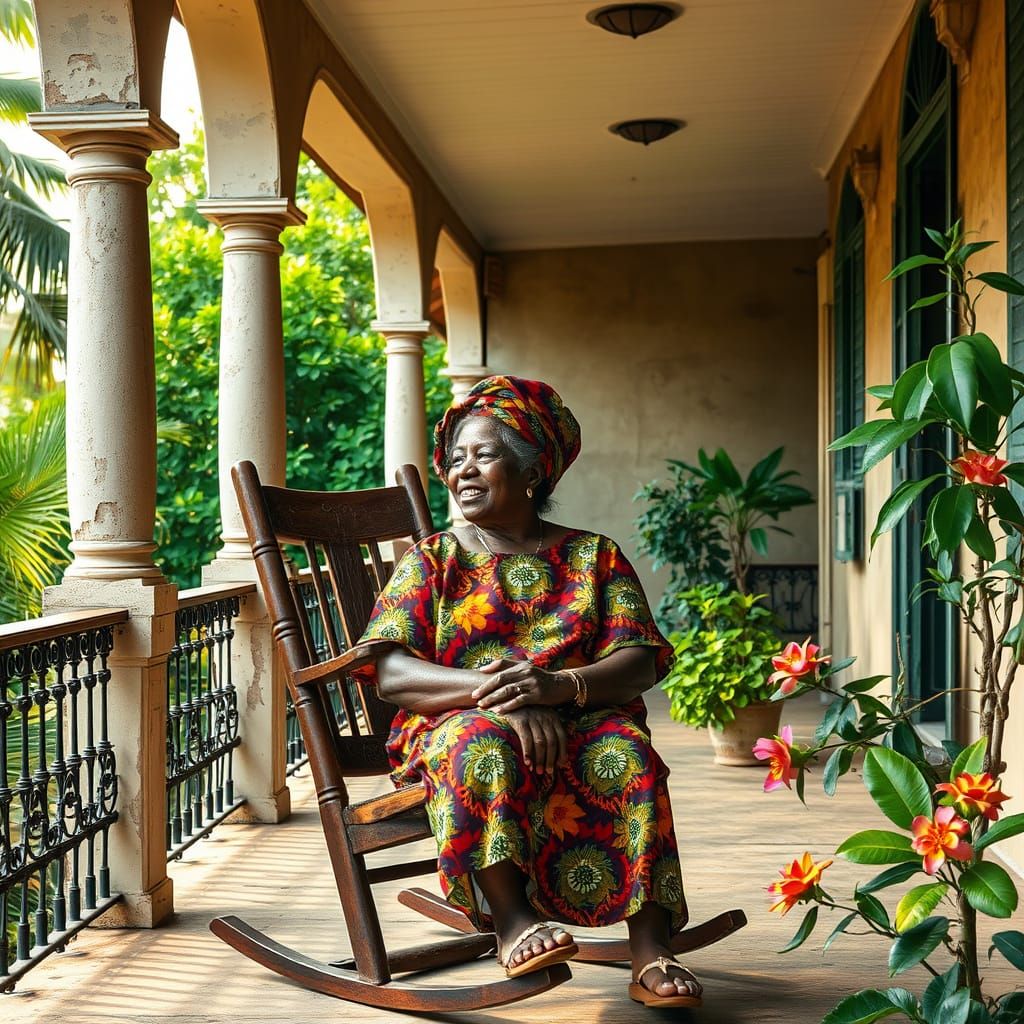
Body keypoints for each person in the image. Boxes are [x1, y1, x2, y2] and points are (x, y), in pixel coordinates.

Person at [357, 376, 702, 1009]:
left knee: (628, 753)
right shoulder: (434, 560)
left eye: (482, 455)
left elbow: (639, 659)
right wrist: (505, 695)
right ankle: (512, 921)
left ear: (533, 470)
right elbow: (393, 674)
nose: (463, 470)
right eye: (455, 457)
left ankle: (651, 946)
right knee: (482, 747)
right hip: (457, 723)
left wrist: (558, 687)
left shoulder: (593, 557)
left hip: (579, 715)